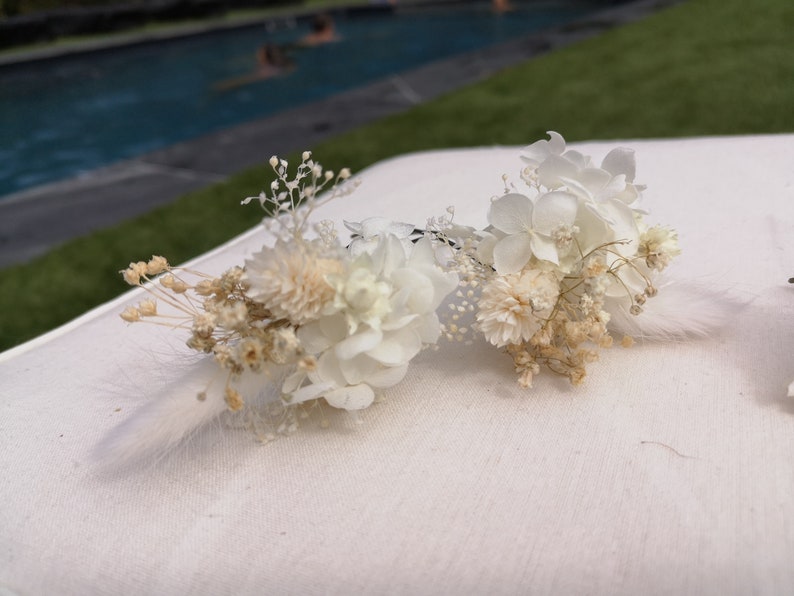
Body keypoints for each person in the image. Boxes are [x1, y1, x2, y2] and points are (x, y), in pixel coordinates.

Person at [214, 43, 294, 91]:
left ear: (265, 57)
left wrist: (223, 86)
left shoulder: (268, 71)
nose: (257, 55)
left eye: (259, 54)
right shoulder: (285, 64)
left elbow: (247, 80)